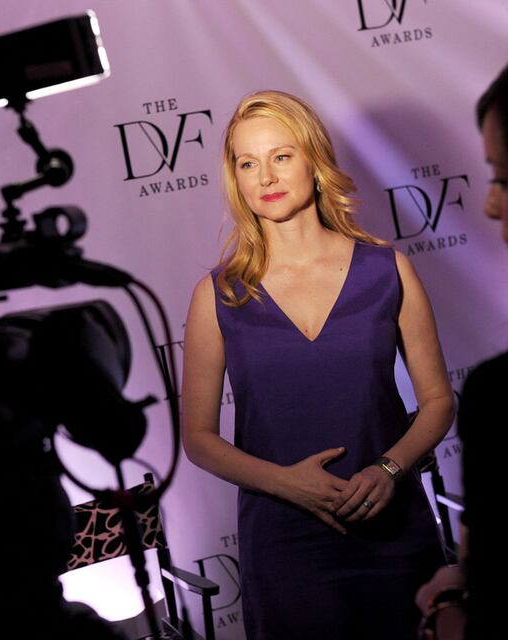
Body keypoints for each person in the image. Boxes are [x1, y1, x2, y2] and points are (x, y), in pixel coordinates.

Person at [181, 90, 455, 640]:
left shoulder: (387, 270)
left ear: (313, 159)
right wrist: (286, 484)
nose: (266, 176)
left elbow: (437, 402)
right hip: (285, 548)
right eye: (248, 163)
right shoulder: (219, 295)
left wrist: (389, 469)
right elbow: (199, 439)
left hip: (394, 533)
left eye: (281, 156)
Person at [415, 57, 508, 640]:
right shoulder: (216, 295)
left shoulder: (500, 397)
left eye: (503, 179)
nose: (490, 205)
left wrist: (451, 614)